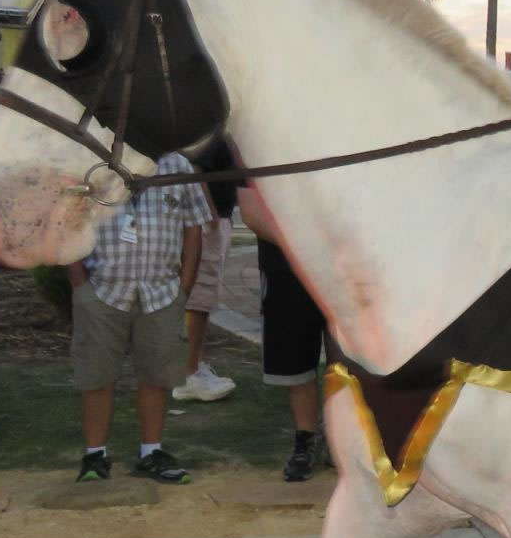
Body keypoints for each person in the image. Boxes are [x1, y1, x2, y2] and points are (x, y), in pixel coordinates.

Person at [68, 151, 212, 485]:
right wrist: (80, 286)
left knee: (157, 375)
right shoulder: (93, 158)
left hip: (161, 292)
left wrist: (183, 288)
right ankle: (94, 455)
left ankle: (151, 452)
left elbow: (194, 229)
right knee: (97, 375)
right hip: (102, 289)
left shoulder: (177, 166)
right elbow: (69, 221)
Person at [237, 184, 331, 482]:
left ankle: (344, 438)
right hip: (284, 265)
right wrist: (302, 244)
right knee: (294, 362)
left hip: (341, 264)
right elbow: (251, 210)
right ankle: (306, 440)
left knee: (349, 360)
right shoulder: (258, 155)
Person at [174, 138, 240, 402]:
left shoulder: (216, 132)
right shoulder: (214, 133)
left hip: (213, 220)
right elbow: (194, 170)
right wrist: (209, 215)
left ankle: (194, 367)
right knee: (199, 300)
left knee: (202, 299)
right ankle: (188, 376)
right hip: (207, 224)